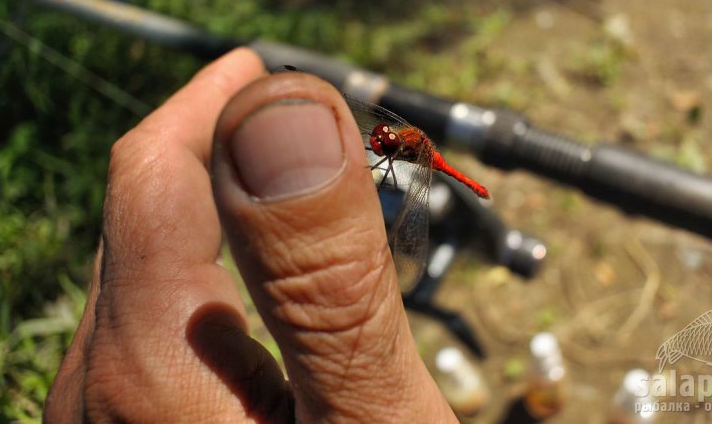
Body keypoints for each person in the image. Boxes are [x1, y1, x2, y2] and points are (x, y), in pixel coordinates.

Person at [44, 49, 458, 423]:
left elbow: (388, 178)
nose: (379, 139)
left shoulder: (412, 150)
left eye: (384, 140)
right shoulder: (390, 137)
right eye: (382, 137)